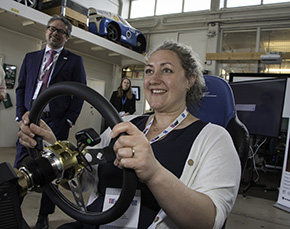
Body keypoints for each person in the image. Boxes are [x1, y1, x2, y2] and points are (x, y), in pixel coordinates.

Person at [18, 41, 241, 229]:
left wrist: (154, 174)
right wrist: (54, 147)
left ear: (190, 80)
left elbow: (208, 220)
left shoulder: (214, 139)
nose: (154, 79)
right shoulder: (124, 124)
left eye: (166, 70)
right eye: (149, 71)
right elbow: (82, 180)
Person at [15, 15, 87, 229]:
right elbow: (20, 88)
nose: (54, 33)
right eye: (51, 28)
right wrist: (20, 116)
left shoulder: (73, 61)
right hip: (30, 121)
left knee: (52, 170)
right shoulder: (31, 57)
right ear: (46, 31)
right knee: (20, 166)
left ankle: (43, 215)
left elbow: (80, 93)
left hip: (55, 123)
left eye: (60, 31)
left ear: (67, 37)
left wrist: (68, 120)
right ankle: (12, 206)